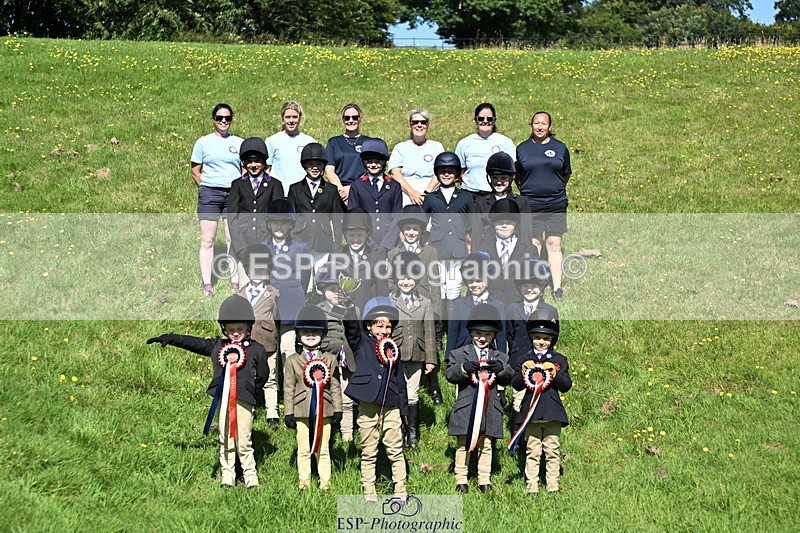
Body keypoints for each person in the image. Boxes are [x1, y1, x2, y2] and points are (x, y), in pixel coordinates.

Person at [146, 295, 269, 488]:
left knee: (243, 440)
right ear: (224, 329)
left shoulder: (257, 349)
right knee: (225, 437)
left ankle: (250, 475)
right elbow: (196, 343)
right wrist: (173, 338)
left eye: (240, 329)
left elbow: (263, 374)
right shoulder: (219, 346)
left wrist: (250, 390)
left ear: (248, 327)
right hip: (223, 398)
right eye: (230, 330)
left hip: (243, 400)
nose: (235, 333)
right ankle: (227, 475)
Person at [344, 297, 408, 501]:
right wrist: (348, 306)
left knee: (395, 450)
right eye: (379, 325)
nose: (384, 330)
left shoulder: (393, 348)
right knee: (369, 450)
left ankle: (400, 491)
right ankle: (369, 492)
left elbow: (400, 381)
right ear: (368, 326)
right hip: (367, 404)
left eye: (388, 326)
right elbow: (351, 329)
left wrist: (404, 410)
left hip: (391, 405)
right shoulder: (361, 341)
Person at [445, 304, 513, 493]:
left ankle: (484, 480)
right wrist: (464, 369)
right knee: (463, 444)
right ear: (470, 332)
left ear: (494, 336)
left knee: (487, 445)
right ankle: (461, 479)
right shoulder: (459, 354)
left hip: (490, 408)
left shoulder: (500, 356)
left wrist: (502, 370)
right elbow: (450, 374)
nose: (482, 338)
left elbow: (510, 378)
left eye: (488, 335)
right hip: (466, 407)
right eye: (477, 333)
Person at [260, 199, 313, 425]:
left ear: (290, 225)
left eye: (283, 223)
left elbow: (305, 275)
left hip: (292, 304)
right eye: (275, 223)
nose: (279, 227)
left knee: (288, 352)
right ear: (269, 224)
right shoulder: (262, 246)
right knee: (270, 356)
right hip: (270, 307)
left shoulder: (300, 247)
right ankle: (271, 409)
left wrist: (295, 292)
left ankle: (290, 405)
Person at [386, 205, 443, 405]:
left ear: (421, 232)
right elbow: (391, 281)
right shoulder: (394, 253)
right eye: (408, 229)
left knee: (428, 345)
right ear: (402, 232)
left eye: (415, 229)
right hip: (403, 305)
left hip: (424, 304)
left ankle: (434, 385)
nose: (411, 233)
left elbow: (435, 282)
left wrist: (435, 311)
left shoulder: (429, 252)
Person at [283, 305, 342, 491]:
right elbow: (289, 387)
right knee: (303, 447)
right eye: (305, 331)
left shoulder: (330, 359)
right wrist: (288, 412)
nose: (310, 335)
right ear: (298, 335)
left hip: (325, 408)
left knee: (323, 448)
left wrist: (338, 409)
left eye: (315, 332)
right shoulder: (292, 360)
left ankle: (325, 482)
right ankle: (304, 481)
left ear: (323, 335)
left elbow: (335, 385)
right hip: (301, 409)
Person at [510, 319, 571, 494]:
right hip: (531, 413)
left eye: (546, 338)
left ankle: (553, 485)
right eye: (537, 337)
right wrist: (523, 373)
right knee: (532, 449)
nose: (541, 341)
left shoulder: (559, 359)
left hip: (552, 412)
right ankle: (532, 485)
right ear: (531, 337)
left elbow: (566, 386)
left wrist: (555, 373)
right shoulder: (524, 359)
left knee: (552, 449)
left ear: (553, 340)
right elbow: (516, 385)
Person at [515, 111, 572, 299]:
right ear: (531, 125)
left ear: (550, 127)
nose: (540, 127)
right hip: (531, 205)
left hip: (555, 203)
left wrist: (552, 190)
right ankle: (535, 284)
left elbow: (565, 174)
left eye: (544, 124)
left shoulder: (560, 147)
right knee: (535, 244)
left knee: (554, 244)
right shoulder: (522, 148)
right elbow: (519, 177)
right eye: (536, 123)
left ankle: (556, 288)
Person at [422, 152, 474, 351]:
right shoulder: (431, 198)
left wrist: (470, 251)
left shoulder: (466, 197)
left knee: (453, 291)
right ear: (437, 173)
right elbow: (424, 225)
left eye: (450, 171)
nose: (446, 175)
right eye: (442, 172)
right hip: (437, 252)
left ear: (457, 174)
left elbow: (471, 227)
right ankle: (436, 336)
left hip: (457, 252)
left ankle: (451, 332)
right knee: (437, 292)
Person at [190, 103, 243, 296]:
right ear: (213, 120)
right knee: (208, 239)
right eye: (220, 118)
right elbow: (195, 170)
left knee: (232, 238)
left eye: (227, 118)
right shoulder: (203, 142)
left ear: (231, 120)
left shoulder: (239, 143)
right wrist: (205, 187)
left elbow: (245, 169)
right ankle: (207, 284)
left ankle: (235, 281)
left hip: (234, 194)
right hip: (210, 194)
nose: (223, 121)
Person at [388, 251, 437, 447]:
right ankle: (399, 428)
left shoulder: (425, 303)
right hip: (396, 355)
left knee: (413, 394)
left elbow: (430, 332)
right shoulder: (389, 300)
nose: (406, 282)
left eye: (410, 278)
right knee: (399, 392)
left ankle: (413, 434)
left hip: (417, 354)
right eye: (402, 278)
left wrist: (431, 359)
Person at [315, 262, 358, 442]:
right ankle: (326, 434)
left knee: (347, 399)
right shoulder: (318, 310)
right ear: (322, 290)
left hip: (347, 362)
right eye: (331, 288)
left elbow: (356, 334)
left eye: (339, 288)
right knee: (327, 397)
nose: (336, 292)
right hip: (326, 361)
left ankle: (347, 435)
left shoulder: (352, 309)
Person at [287, 142, 344, 271]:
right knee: (304, 281)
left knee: (322, 278)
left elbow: (336, 219)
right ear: (305, 166)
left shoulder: (331, 189)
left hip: (323, 240)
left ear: (323, 165)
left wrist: (337, 246)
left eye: (318, 164)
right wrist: (289, 241)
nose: (314, 168)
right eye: (311, 164)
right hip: (300, 238)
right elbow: (290, 218)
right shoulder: (295, 189)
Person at [228, 137, 285, 258]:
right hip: (243, 240)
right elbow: (232, 218)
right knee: (243, 276)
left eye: (257, 161)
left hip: (266, 240)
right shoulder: (237, 184)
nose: (253, 165)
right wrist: (240, 247)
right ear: (244, 163)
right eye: (249, 161)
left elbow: (277, 217)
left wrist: (269, 244)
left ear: (264, 162)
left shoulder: (275, 184)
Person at [481, 198, 539, 308]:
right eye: (499, 222)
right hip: (490, 305)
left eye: (509, 222)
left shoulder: (529, 249)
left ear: (516, 224)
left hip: (519, 304)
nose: (504, 226)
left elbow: (537, 278)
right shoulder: (483, 248)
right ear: (493, 224)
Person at [347, 138, 403, 249]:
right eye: (369, 161)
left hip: (388, 240)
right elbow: (354, 215)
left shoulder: (394, 186)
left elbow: (397, 216)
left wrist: (387, 244)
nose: (373, 165)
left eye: (377, 161)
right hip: (365, 241)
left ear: (384, 162)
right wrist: (368, 242)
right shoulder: (357, 185)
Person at [454, 103, 516, 201]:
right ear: (476, 120)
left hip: (497, 195)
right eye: (481, 118)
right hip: (471, 196)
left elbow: (512, 170)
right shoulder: (464, 143)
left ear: (494, 120)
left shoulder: (505, 142)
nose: (485, 121)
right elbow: (459, 172)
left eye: (489, 119)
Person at [472, 151, 532, 253]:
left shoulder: (521, 201)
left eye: (503, 178)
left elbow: (526, 232)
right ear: (489, 178)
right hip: (489, 251)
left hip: (515, 252)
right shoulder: (481, 202)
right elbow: (476, 233)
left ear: (511, 178)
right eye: (495, 178)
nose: (499, 182)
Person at [387, 109, 445, 206]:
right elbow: (395, 174)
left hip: (431, 191)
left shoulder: (437, 147)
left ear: (428, 125)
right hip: (405, 192)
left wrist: (427, 193)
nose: (419, 125)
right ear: (410, 125)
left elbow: (440, 172)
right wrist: (412, 193)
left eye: (423, 122)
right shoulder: (400, 147)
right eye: (415, 122)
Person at [236, 243, 279, 365]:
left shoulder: (274, 294)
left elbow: (276, 317)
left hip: (266, 345)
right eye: (254, 268)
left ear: (268, 270)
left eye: (262, 268)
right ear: (247, 270)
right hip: (243, 346)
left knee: (269, 380)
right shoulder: (240, 295)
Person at [325, 103, 373, 205]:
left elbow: (372, 170)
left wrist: (352, 188)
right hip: (339, 191)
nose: (351, 120)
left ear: (360, 119)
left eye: (354, 117)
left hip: (363, 189)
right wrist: (341, 190)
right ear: (343, 120)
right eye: (347, 118)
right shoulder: (334, 142)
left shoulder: (369, 142)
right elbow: (329, 170)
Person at [265, 101, 316, 189]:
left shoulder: (309, 141)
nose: (291, 120)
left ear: (300, 118)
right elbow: (267, 169)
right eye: (288, 117)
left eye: (295, 117)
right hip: (279, 191)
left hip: (302, 192)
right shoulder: (272, 141)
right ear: (283, 118)